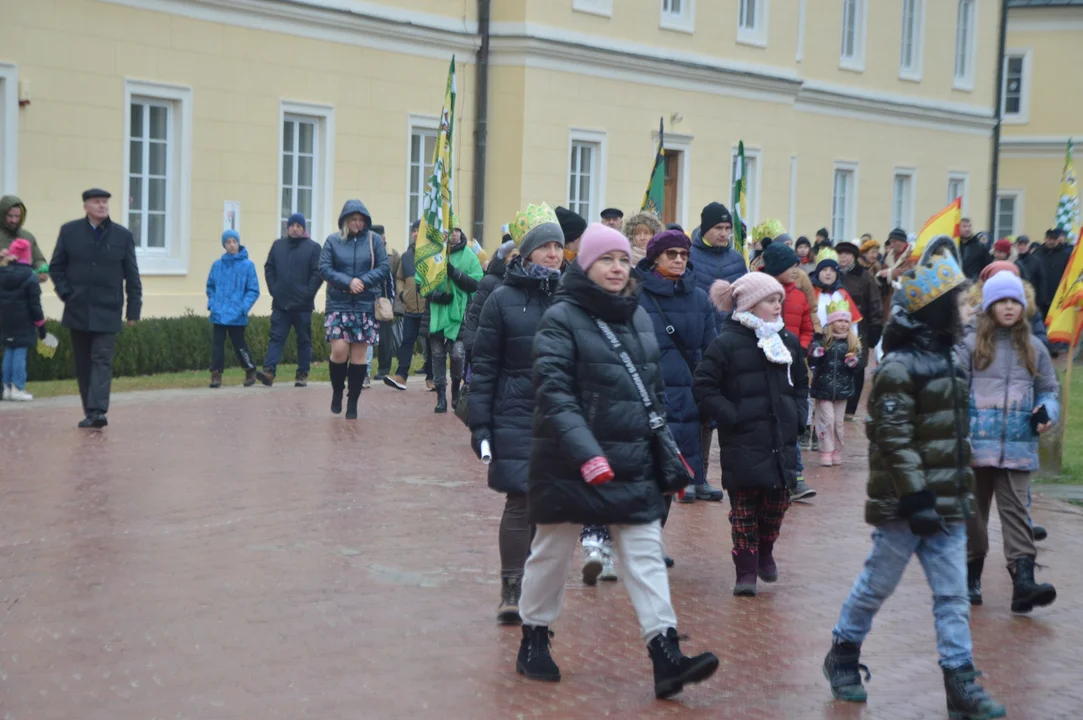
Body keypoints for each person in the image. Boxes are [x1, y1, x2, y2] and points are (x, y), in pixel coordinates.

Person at [515, 223, 719, 698]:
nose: (617, 267)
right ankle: (535, 638)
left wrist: (664, 458)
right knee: (553, 551)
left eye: (624, 259)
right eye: (607, 259)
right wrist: (587, 454)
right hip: (568, 458)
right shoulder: (561, 318)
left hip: (630, 458)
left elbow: (653, 395)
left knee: (645, 552)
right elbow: (555, 393)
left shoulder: (638, 316)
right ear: (586, 264)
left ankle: (665, 655)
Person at [823, 237, 1005, 720]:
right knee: (875, 586)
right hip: (905, 506)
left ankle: (960, 684)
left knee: (952, 595)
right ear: (935, 310)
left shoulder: (949, 358)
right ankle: (843, 652)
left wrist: (948, 493)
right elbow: (892, 436)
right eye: (960, 303)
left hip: (946, 503)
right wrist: (916, 495)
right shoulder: (900, 366)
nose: (967, 310)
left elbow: (950, 436)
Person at [469, 203, 565, 625]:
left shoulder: (570, 297)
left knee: (552, 506)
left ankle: (537, 584)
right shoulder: (501, 300)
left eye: (557, 245)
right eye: (543, 245)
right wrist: (481, 423)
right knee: (520, 500)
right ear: (524, 252)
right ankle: (511, 586)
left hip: (561, 414)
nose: (553, 253)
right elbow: (484, 366)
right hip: (515, 410)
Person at [694, 272, 808, 597]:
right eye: (771, 301)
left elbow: (800, 383)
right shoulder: (726, 342)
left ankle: (766, 549)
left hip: (780, 441)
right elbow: (703, 385)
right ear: (751, 304)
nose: (777, 307)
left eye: (779, 302)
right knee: (744, 510)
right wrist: (733, 416)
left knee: (776, 504)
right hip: (743, 442)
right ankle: (745, 570)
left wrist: (798, 416)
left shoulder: (785, 341)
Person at [958, 271, 1059, 614]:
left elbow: (1048, 390)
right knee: (974, 514)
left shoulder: (1034, 348)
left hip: (1018, 446)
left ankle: (1024, 582)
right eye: (1001, 301)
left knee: (1017, 513)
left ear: (1024, 306)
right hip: (974, 447)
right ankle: (971, 576)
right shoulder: (970, 346)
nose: (1009, 307)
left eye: (1015, 301)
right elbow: (954, 390)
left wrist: (1047, 411)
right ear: (988, 305)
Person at [633, 229, 721, 504]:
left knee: (691, 427)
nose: (679, 260)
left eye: (684, 254)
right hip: (653, 380)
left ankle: (694, 478)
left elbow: (711, 344)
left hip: (689, 379)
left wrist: (711, 378)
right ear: (655, 257)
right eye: (671, 254)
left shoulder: (699, 297)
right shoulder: (638, 295)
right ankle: (672, 480)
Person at [49, 188, 142, 429]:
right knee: (83, 363)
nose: (102, 206)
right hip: (77, 308)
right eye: (97, 202)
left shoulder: (122, 236)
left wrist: (134, 310)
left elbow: (132, 275)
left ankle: (98, 410)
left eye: (105, 202)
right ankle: (90, 410)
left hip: (108, 309)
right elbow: (56, 267)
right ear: (86, 206)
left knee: (102, 359)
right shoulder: (69, 232)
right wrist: (67, 294)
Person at [319, 200, 388, 420]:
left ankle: (353, 401)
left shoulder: (374, 240)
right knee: (339, 351)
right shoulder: (332, 241)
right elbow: (324, 268)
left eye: (361, 220)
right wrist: (348, 282)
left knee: (359, 356)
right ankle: (338, 391)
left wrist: (363, 281)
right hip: (338, 304)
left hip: (365, 305)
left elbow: (383, 267)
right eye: (353, 219)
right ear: (345, 220)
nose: (357, 223)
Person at [761, 242, 818, 500]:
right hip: (765, 366)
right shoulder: (759, 292)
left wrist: (800, 349)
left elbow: (807, 328)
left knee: (791, 419)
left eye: (798, 265)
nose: (796, 270)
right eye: (791, 266)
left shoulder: (799, 296)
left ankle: (796, 476)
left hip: (792, 367)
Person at [425, 221, 482, 413]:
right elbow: (422, 285)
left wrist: (455, 273)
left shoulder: (469, 256)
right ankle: (440, 397)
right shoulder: (433, 255)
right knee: (438, 356)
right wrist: (436, 296)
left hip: (460, 317)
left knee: (457, 354)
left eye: (457, 230)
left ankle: (455, 392)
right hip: (437, 316)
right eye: (451, 231)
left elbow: (476, 283)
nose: (454, 234)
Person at [259, 213, 322, 387]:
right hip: (281, 304)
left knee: (303, 340)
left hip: (303, 305)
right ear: (287, 227)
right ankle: (269, 372)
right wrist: (274, 289)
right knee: (276, 338)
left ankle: (302, 373)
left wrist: (308, 292)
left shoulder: (313, 248)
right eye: (292, 225)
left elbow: (318, 273)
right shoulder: (278, 246)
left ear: (304, 228)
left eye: (299, 226)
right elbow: (269, 268)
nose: (295, 228)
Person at [808, 299, 863, 467]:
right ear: (831, 322)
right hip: (823, 388)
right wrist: (815, 354)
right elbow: (812, 359)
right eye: (840, 320)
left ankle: (836, 450)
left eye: (846, 321)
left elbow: (858, 366)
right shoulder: (823, 340)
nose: (844, 324)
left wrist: (854, 363)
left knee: (838, 423)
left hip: (842, 390)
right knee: (827, 419)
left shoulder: (852, 343)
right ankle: (826, 450)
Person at [205, 230, 260, 388]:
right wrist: (213, 304)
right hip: (219, 313)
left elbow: (253, 290)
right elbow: (211, 287)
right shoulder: (217, 265)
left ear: (238, 243)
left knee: (239, 344)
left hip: (237, 314)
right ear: (224, 245)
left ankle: (250, 370)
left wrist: (243, 307)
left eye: (234, 241)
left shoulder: (248, 266)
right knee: (217, 345)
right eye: (228, 242)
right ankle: (216, 374)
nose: (231, 245)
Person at [836, 240, 883, 420]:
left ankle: (850, 409)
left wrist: (875, 329)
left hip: (858, 329)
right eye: (840, 254)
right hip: (834, 328)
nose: (844, 257)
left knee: (856, 366)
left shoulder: (864, 277)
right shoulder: (831, 274)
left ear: (854, 257)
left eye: (847, 254)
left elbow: (875, 304)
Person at [385, 220, 429, 390]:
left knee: (432, 344)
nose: (416, 234)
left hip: (428, 307)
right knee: (407, 341)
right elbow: (399, 278)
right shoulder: (406, 256)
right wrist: (402, 294)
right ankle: (401, 376)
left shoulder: (432, 255)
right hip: (410, 307)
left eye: (420, 231)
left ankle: (431, 378)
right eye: (414, 231)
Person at [0, 239, 46, 401]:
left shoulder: (2, 273)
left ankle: (5, 387)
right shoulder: (31, 277)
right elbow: (35, 305)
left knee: (9, 351)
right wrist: (41, 325)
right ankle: (18, 387)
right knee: (19, 352)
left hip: (5, 321)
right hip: (24, 322)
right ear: (28, 256)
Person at [461, 237, 516, 361]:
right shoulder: (489, 281)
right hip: (489, 344)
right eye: (513, 256)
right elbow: (475, 314)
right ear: (503, 259)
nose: (517, 260)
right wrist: (470, 344)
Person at [0, 196, 49, 282]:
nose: (14, 220)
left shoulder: (27, 237)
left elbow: (38, 260)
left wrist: (42, 270)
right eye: (10, 216)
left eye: (17, 216)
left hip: (24, 290)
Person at [1034, 227, 1073, 320]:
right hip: (1040, 298)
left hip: (1058, 298)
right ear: (1045, 239)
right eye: (1049, 239)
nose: (1051, 241)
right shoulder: (1037, 254)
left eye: (1054, 239)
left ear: (1058, 240)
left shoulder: (1065, 255)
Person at [876, 228, 913, 317]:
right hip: (890, 297)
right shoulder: (889, 256)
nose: (891, 245)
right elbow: (884, 269)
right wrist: (880, 275)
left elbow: (912, 270)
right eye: (891, 242)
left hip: (908, 296)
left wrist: (891, 273)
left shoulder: (913, 254)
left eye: (894, 242)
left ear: (902, 241)